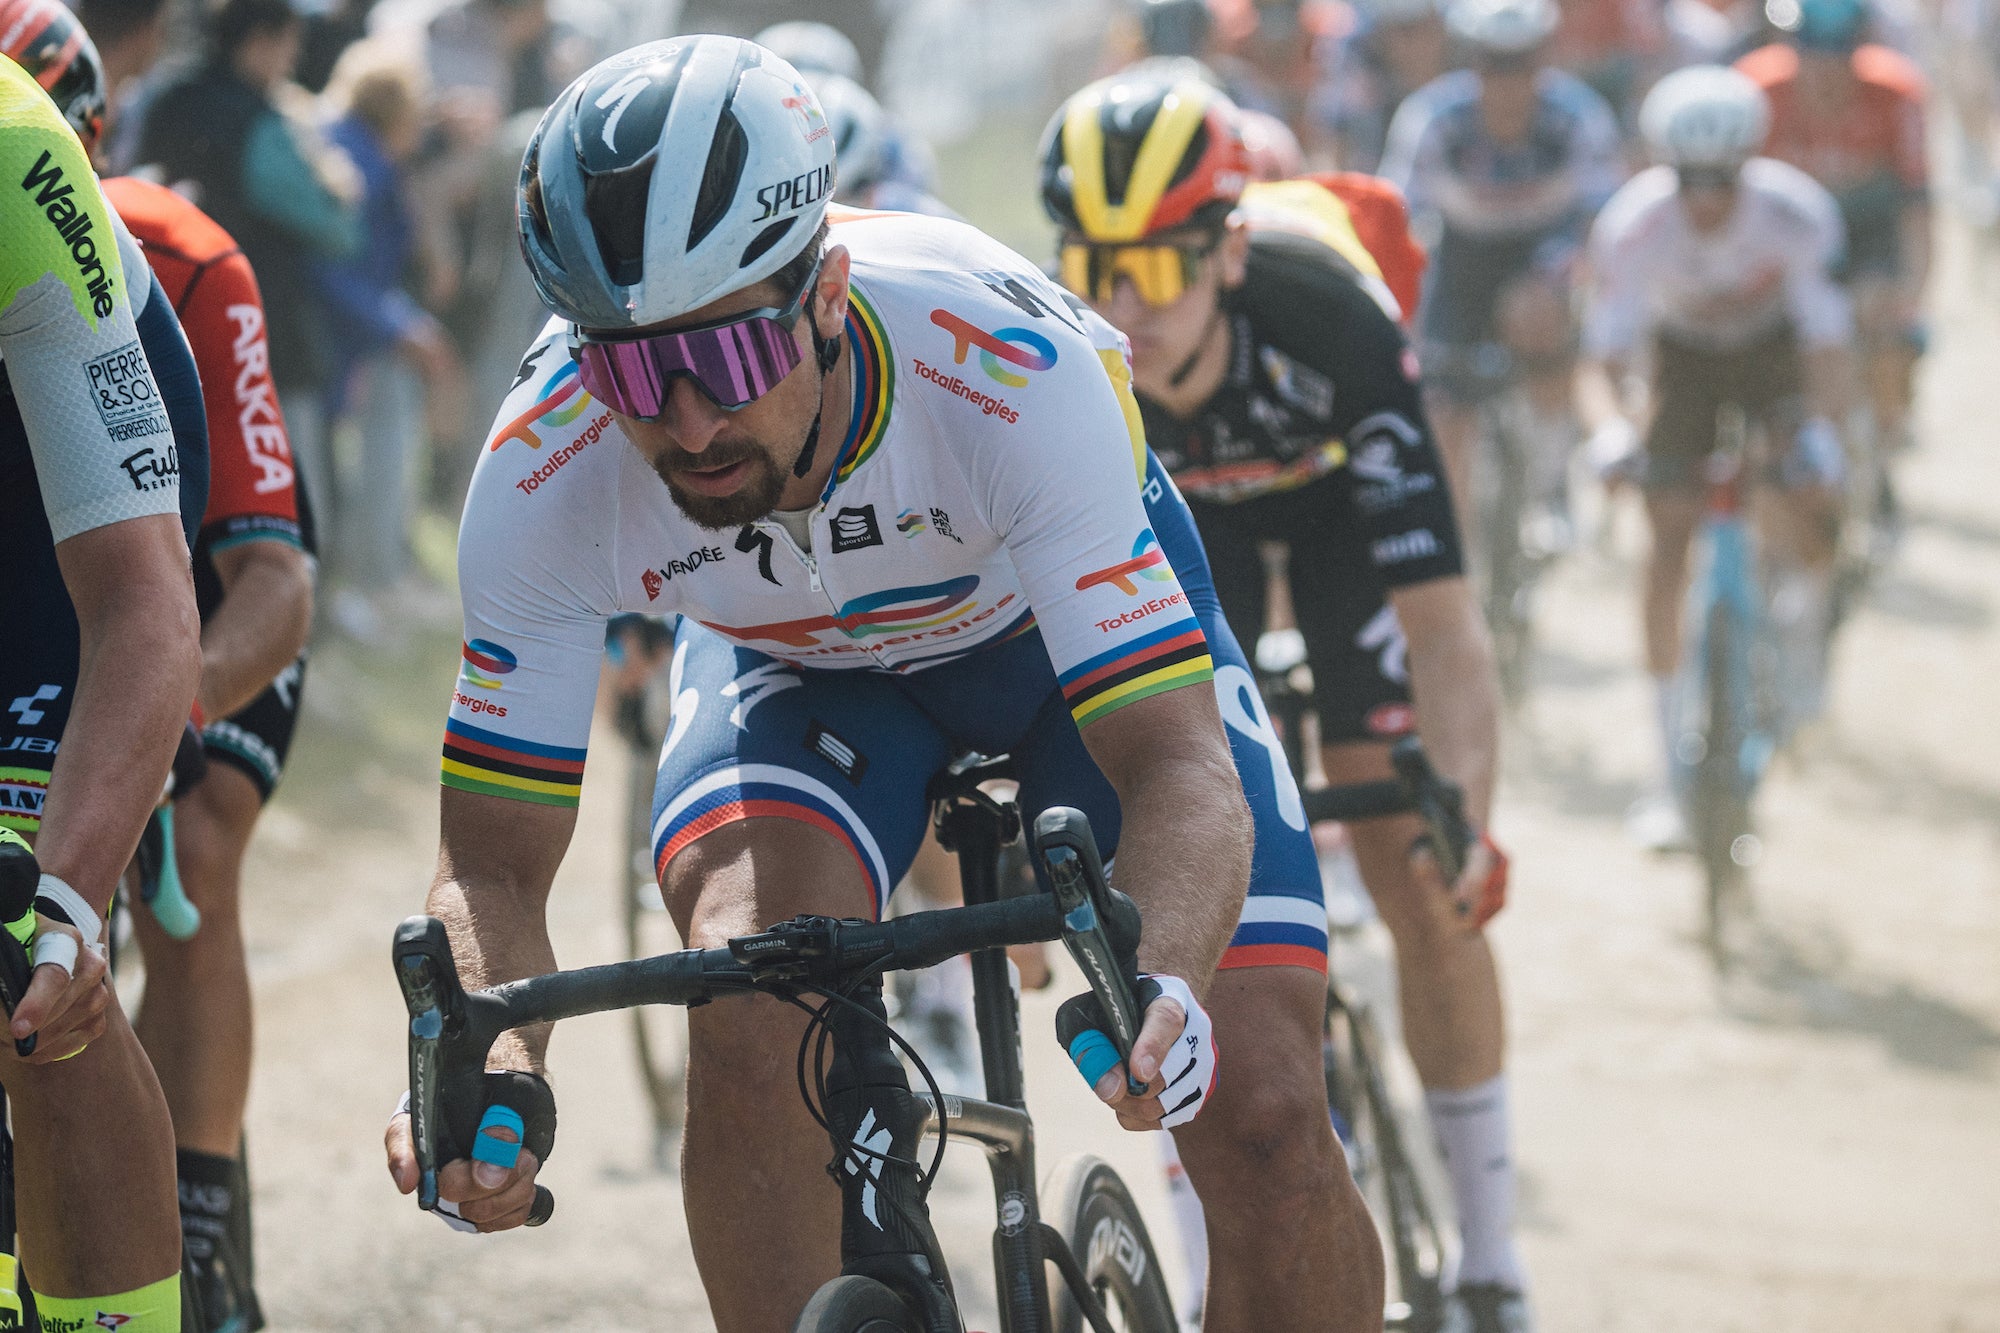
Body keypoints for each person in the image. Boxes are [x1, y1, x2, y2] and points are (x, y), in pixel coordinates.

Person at [382, 35, 1385, 1332]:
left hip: (1053, 656)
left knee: (1263, 1110)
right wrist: (490, 1053)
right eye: (629, 370)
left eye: (726, 360)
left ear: (826, 295)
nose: (686, 422)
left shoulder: (1004, 369)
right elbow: (491, 867)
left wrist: (1171, 983)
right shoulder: (541, 470)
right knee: (744, 992)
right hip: (802, 678)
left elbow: (1176, 768)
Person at [1041, 70, 1529, 1333]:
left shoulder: (1327, 319)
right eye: (1094, 268)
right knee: (1168, 898)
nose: (1122, 307)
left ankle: (1491, 1261)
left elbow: (1440, 626)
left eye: (1158, 269)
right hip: (1188, 536)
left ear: (1228, 250)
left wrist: (1461, 819)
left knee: (1415, 866)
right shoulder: (1053, 352)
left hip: (1329, 525)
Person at [6, 2, 319, 1323]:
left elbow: (200, 594)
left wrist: (76, 881)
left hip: (135, 563)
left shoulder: (148, 237)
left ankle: (195, 1222)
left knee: (52, 922)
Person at [0, 52, 209, 1332]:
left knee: (25, 962)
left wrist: (71, 900)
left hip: (51, 514)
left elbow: (141, 604)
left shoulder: (10, 152)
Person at [1578, 65, 1851, 846]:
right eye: (1688, 180)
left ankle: (1804, 645)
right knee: (1665, 539)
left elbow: (1827, 344)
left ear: (1747, 165)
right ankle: (1666, 773)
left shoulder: (1796, 214)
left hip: (1774, 356)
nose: (1704, 199)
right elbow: (1604, 356)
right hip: (1685, 362)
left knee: (1807, 495)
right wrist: (1613, 431)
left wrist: (1821, 431)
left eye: (1721, 180)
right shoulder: (1634, 225)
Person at [1381, 0, 1623, 553]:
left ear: (1545, 58)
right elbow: (1397, 218)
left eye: (1522, 63)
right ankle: (1461, 550)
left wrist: (1555, 275)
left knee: (1536, 315)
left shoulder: (1577, 116)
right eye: (1494, 63)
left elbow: (1603, 218)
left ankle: (1551, 487)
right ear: (1471, 61)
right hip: (1462, 256)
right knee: (1443, 414)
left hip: (1542, 252)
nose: (1508, 81)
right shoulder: (1433, 118)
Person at [134, 0, 361, 567]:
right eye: (289, 43)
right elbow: (334, 227)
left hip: (154, 329)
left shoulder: (163, 97)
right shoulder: (259, 118)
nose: (293, 58)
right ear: (259, 39)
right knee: (286, 528)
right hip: (257, 334)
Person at [1737, 0, 1929, 466]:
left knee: (1888, 333)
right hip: (1785, 237)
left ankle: (1882, 448)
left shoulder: (1898, 91)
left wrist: (1909, 295)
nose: (1825, 71)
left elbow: (1917, 208)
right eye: (1813, 55)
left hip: (1868, 235)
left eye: (1839, 56)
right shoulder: (1754, 90)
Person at [315, 39, 466, 615]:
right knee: (363, 454)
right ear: (396, 112)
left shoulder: (346, 144)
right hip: (343, 336)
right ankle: (364, 583)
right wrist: (401, 327)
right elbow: (335, 268)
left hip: (354, 328)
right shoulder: (365, 167)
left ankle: (371, 575)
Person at [1307, 0, 1452, 173]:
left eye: (1425, 29)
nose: (1418, 43)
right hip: (1371, 173)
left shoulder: (1465, 33)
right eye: (1405, 30)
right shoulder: (1356, 46)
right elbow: (1333, 142)